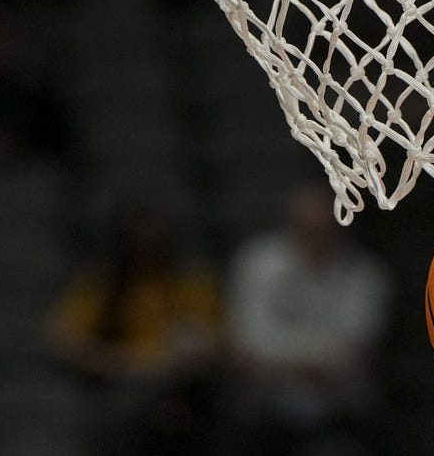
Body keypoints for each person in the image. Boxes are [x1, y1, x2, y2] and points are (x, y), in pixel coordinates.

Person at [226, 181, 393, 456]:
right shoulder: (257, 263)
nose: (316, 237)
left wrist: (280, 357)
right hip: (265, 410)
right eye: (307, 230)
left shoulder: (367, 275)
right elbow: (248, 348)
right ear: (291, 225)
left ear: (342, 225)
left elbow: (354, 354)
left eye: (324, 229)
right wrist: (317, 359)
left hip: (341, 411)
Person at [48, 198, 222, 456]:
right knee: (123, 415)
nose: (147, 247)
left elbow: (217, 340)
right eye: (138, 242)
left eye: (156, 241)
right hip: (124, 385)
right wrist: (112, 362)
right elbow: (62, 340)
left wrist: (197, 355)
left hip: (184, 386)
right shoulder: (100, 285)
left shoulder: (192, 283)